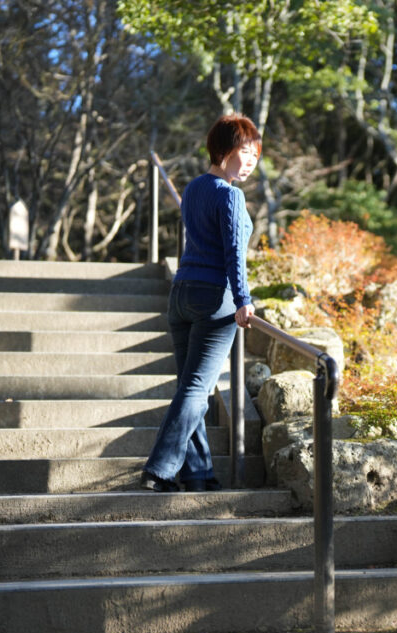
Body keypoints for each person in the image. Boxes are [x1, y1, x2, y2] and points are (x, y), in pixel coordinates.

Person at [140, 113, 261, 493]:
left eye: (256, 156)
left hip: (182, 294)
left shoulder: (193, 188)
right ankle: (159, 469)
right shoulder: (230, 195)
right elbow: (233, 255)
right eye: (246, 152)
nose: (252, 162)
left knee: (190, 388)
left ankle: (199, 473)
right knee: (195, 389)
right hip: (215, 300)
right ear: (225, 150)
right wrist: (243, 299)